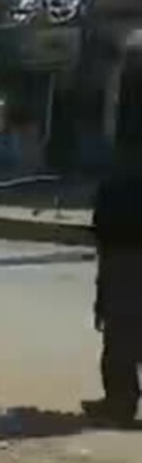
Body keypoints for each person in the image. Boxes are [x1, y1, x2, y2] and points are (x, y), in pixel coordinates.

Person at [85, 162, 142, 426]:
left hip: (123, 266)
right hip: (123, 263)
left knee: (119, 345)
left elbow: (103, 235)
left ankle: (120, 404)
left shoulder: (114, 186)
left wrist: (101, 303)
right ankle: (119, 402)